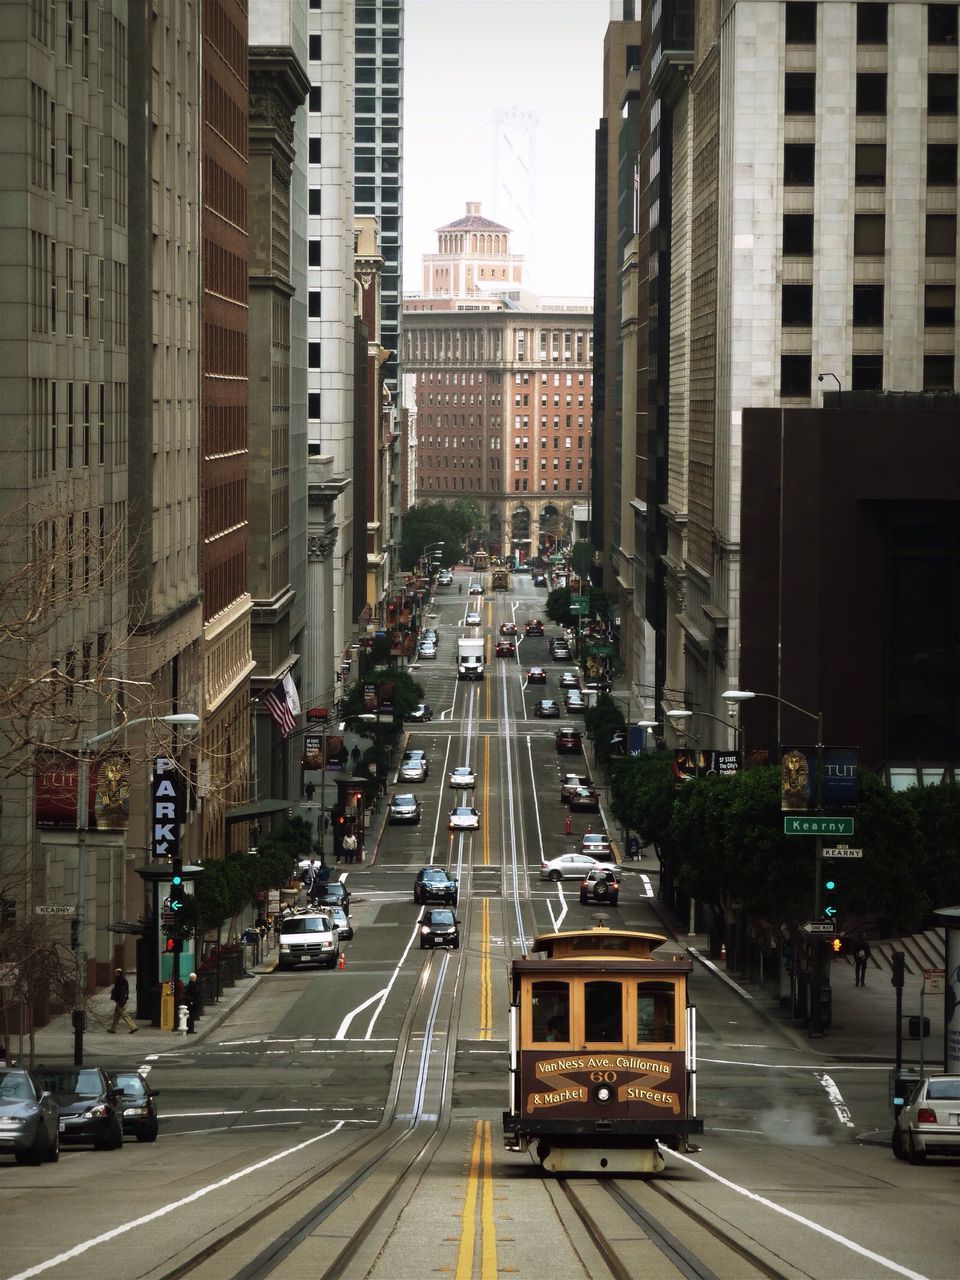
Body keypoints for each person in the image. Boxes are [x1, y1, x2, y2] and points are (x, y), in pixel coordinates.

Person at [107, 968, 138, 1034]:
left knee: (124, 1014)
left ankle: (133, 1027)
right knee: (116, 1015)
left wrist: (119, 1000)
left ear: (118, 973)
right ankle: (112, 1029)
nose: (114, 974)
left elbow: (120, 992)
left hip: (120, 1001)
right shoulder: (122, 980)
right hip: (121, 1000)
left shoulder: (119, 981)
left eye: (115, 973)